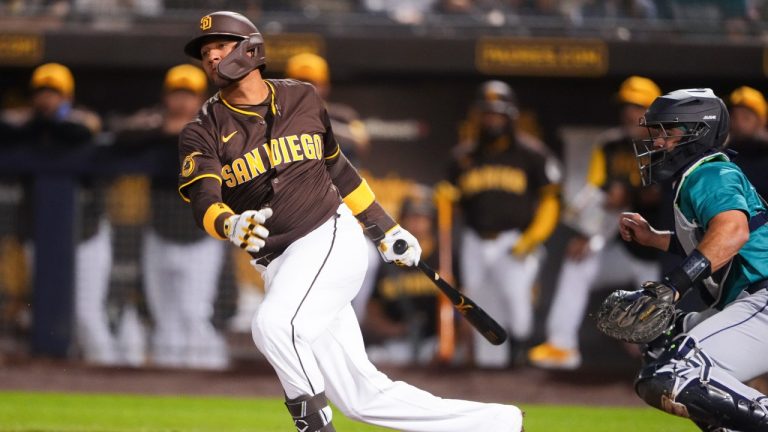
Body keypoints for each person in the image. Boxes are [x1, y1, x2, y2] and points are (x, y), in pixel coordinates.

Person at [177, 11, 523, 432]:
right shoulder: (202, 129)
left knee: (273, 325)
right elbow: (203, 200)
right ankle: (498, 423)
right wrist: (229, 224)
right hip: (279, 265)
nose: (211, 57)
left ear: (250, 49)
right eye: (205, 52)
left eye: (221, 46)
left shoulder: (301, 97)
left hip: (329, 236)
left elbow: (338, 169)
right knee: (362, 397)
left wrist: (386, 227)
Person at [610, 88, 768, 431]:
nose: (658, 141)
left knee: (676, 373)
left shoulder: (710, 173)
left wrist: (673, 287)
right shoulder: (701, 174)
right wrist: (656, 239)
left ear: (697, 132)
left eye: (668, 131)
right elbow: (720, 242)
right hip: (749, 301)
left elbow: (733, 232)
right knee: (660, 350)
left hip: (762, 299)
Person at [528, 76, 663, 370]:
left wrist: (628, 193)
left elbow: (658, 196)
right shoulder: (611, 145)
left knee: (662, 332)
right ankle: (561, 347)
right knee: (578, 262)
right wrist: (590, 234)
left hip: (664, 252)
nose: (631, 113)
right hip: (626, 244)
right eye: (627, 106)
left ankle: (666, 360)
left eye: (639, 106)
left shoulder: (670, 143)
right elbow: (596, 194)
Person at [113, 64, 228, 369]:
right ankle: (166, 381)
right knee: (164, 312)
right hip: (160, 233)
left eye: (188, 95)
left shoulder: (214, 124)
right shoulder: (153, 124)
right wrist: (161, 127)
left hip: (201, 237)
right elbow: (121, 137)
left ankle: (205, 378)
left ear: (200, 97)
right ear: (166, 97)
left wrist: (181, 128)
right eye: (177, 94)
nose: (181, 101)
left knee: (194, 312)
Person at [448, 80, 561, 368]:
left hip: (514, 240)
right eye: (487, 113)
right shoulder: (464, 156)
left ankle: (521, 362)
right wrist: (448, 197)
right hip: (475, 239)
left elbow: (551, 200)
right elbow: (451, 196)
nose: (491, 120)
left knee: (517, 304)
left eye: (497, 114)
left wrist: (533, 237)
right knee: (478, 305)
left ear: (510, 115)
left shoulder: (531, 154)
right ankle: (488, 374)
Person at [7, 63, 114, 365]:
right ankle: (57, 380)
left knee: (86, 313)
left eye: (53, 93)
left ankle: (111, 377)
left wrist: (45, 120)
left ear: (67, 96)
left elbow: (78, 129)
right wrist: (34, 121)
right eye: (42, 92)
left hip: (86, 236)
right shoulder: (28, 127)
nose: (46, 99)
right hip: (40, 236)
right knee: (43, 312)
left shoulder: (79, 123)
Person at [282, 51, 379, 322]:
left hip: (339, 213)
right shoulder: (275, 116)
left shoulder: (341, 115)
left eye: (311, 82)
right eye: (298, 81)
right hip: (297, 217)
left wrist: (315, 119)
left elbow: (362, 142)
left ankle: (349, 328)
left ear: (324, 85)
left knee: (367, 261)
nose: (305, 88)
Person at [362, 185, 440, 366]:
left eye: (423, 218)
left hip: (435, 342)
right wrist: (394, 330)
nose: (417, 224)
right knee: (374, 357)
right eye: (412, 217)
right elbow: (370, 311)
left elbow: (462, 309)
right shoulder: (386, 259)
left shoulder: (444, 258)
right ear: (401, 220)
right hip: (397, 344)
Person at [727, 86, 768, 198]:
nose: (739, 124)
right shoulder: (724, 156)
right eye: (734, 117)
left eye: (746, 117)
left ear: (761, 121)